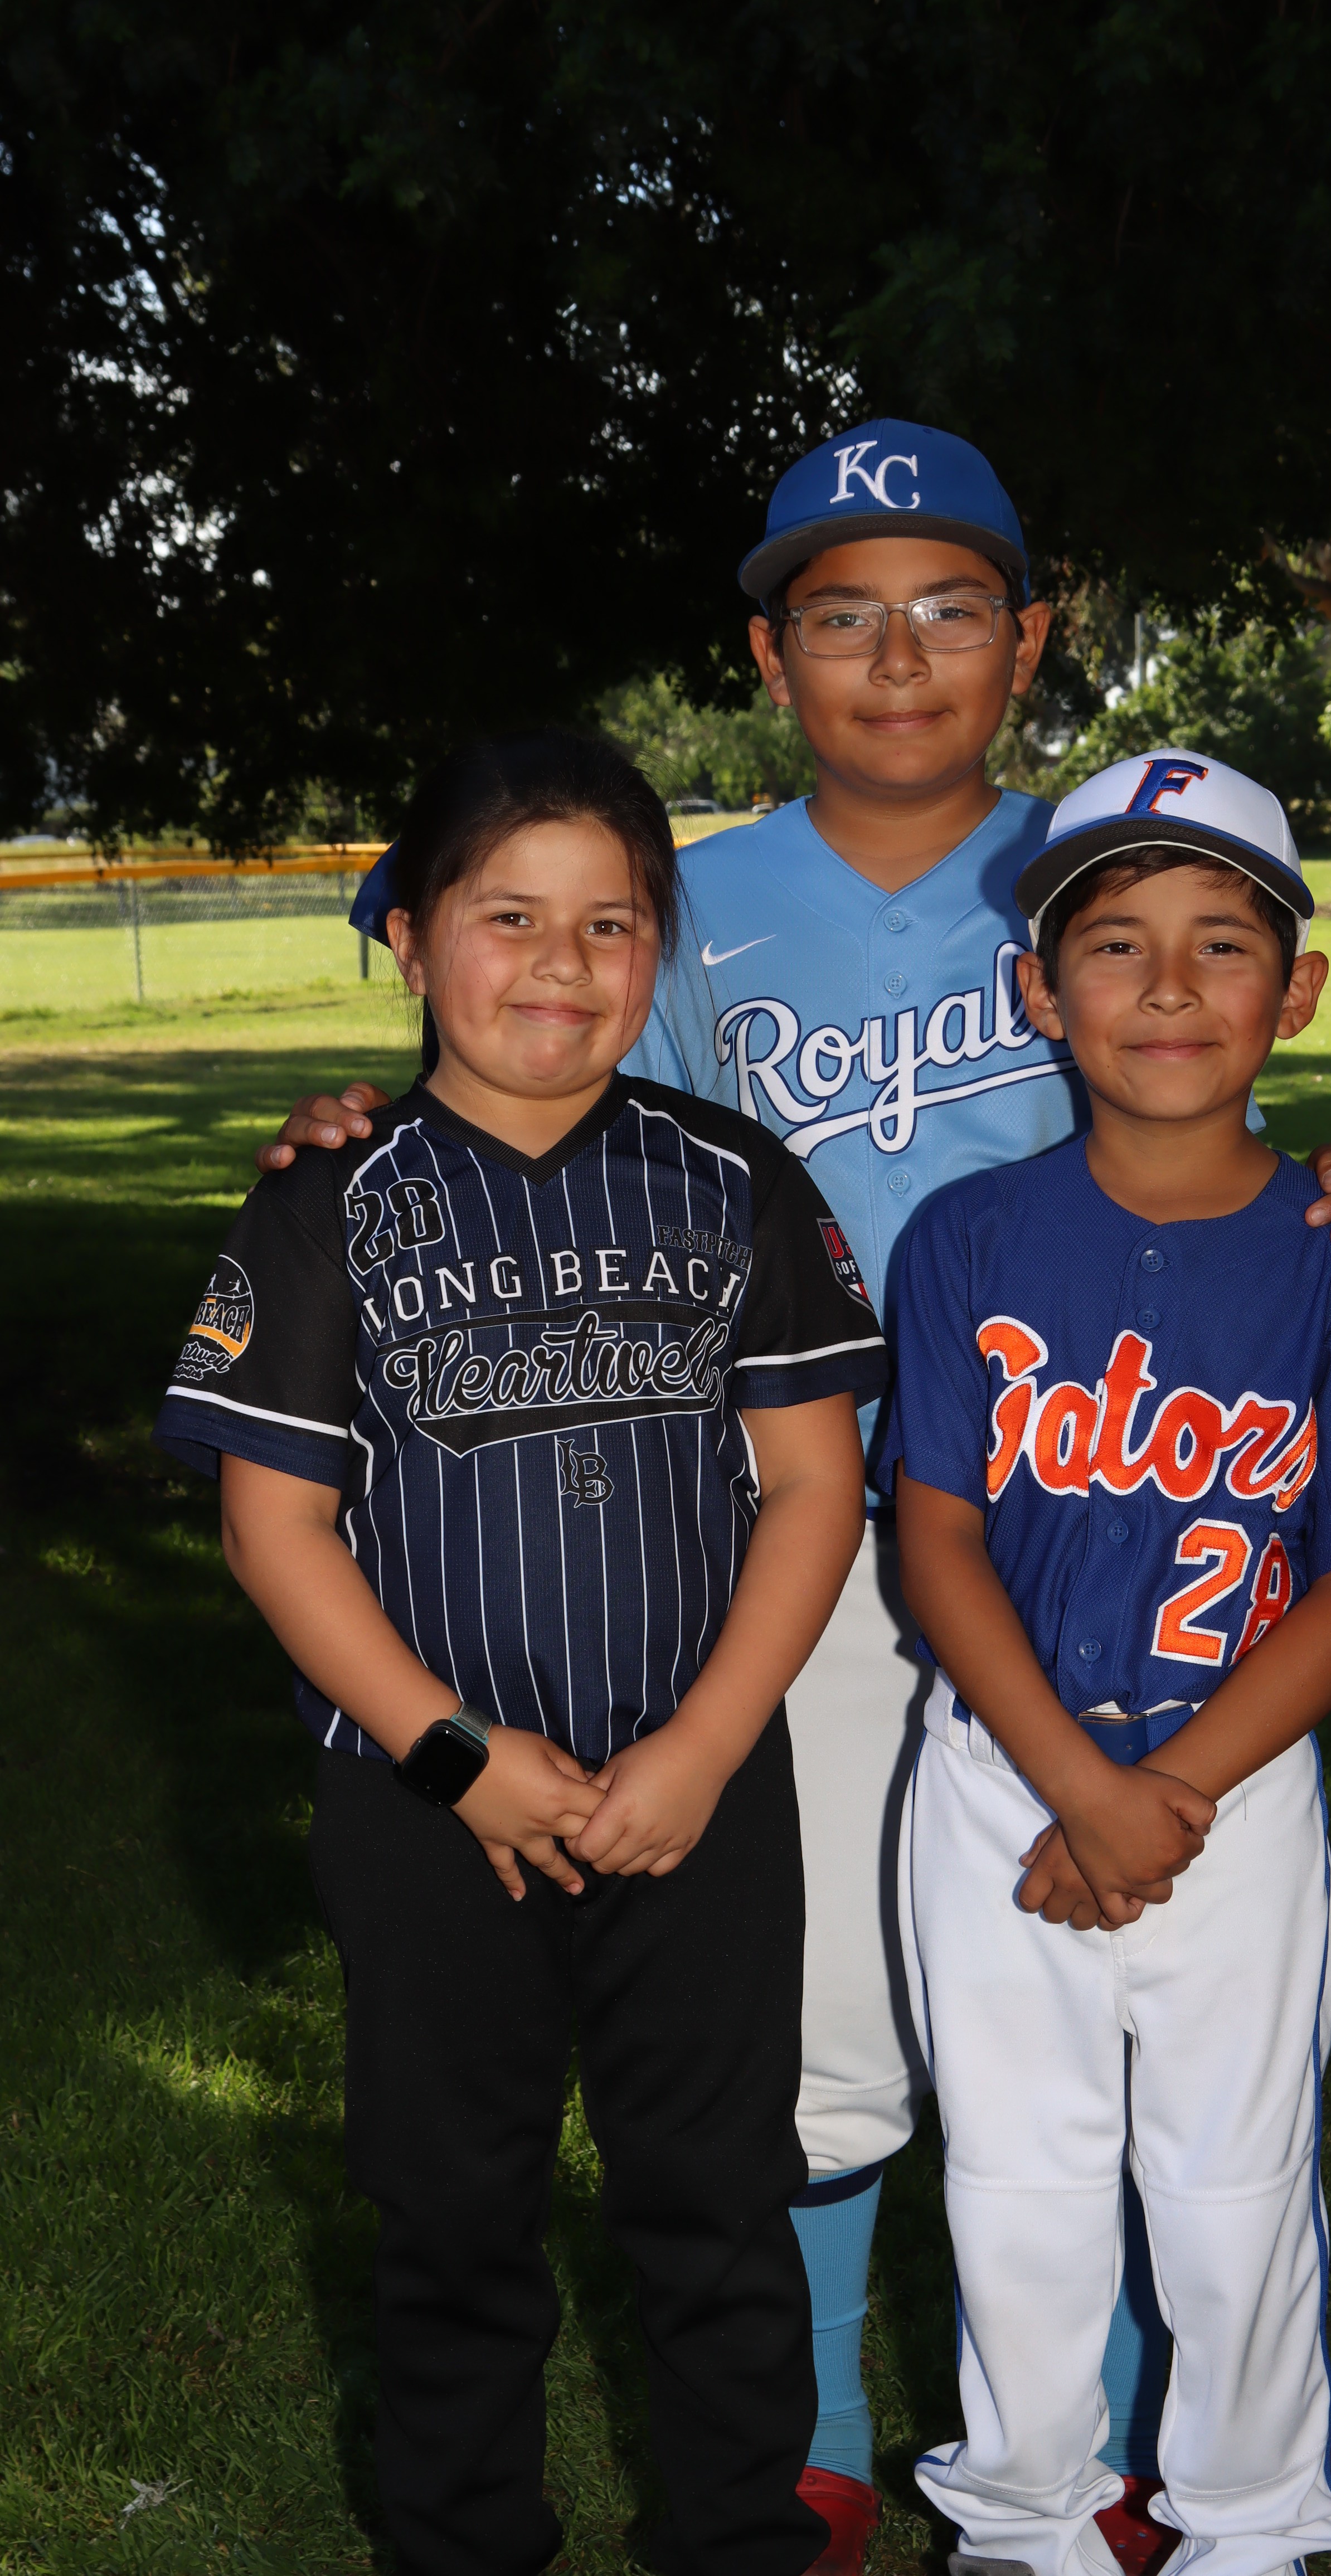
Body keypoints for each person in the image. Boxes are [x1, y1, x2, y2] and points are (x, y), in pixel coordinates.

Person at [252, 422, 1331, 2576]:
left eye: (953, 609)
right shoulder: (691, 897)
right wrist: (366, 1128)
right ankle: (797, 2431)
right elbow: (540, 1086)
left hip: (1074, 1522)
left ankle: (1130, 2445)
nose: (899, 660)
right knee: (804, 2031)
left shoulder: (1096, 865)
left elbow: (1203, 1103)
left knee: (1094, 1999)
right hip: (765, 1521)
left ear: (1031, 638)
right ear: (769, 655)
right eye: (844, 615)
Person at [155, 731, 888, 2576]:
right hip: (425, 1808)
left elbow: (815, 1486)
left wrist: (705, 1750)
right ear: (410, 937)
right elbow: (273, 1531)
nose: (562, 965)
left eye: (610, 924)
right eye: (508, 917)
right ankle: (464, 2541)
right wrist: (456, 1752)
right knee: (452, 2209)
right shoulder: (327, 1202)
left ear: (658, 951)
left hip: (695, 1793)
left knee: (717, 2201)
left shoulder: (735, 1176)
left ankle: (738, 2540)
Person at [885, 752, 1331, 2576]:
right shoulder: (967, 1239)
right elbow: (937, 1539)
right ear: (1040, 993)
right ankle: (1027, 2519)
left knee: (1231, 2190)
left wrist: (1167, 1794)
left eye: (1225, 943)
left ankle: (1252, 2523)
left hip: (1234, 1786)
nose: (1173, 986)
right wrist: (1082, 1790)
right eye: (1115, 944)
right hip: (1004, 1781)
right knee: (1017, 2185)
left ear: (1301, 986)